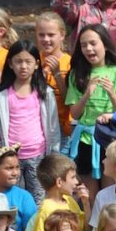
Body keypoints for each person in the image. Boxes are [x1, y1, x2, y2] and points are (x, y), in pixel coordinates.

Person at [0, 41, 60, 203]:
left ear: (36, 65)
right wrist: (1, 151)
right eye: (18, 61)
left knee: (39, 200)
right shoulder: (1, 94)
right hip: (12, 159)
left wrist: (53, 156)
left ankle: (36, 228)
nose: (23, 66)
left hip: (38, 156)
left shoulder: (45, 93)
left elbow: (53, 127)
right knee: (13, 199)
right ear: (10, 64)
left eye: (28, 61)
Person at [64, 24, 116, 194]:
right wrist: (86, 94)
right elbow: (74, 114)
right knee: (89, 193)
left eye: (93, 43)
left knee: (110, 191)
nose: (88, 49)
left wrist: (111, 93)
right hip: (85, 140)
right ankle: (90, 220)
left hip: (110, 140)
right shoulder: (77, 74)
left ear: (105, 45)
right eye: (84, 45)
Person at [25, 153, 91, 231]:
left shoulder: (69, 200)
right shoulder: (46, 210)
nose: (77, 182)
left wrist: (86, 204)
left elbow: (87, 228)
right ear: (59, 182)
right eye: (73, 177)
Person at [34, 9, 73, 147]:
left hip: (61, 128)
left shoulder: (70, 63)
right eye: (41, 35)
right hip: (35, 127)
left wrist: (57, 75)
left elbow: (70, 101)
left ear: (62, 35)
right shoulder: (32, 60)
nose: (46, 39)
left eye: (51, 35)